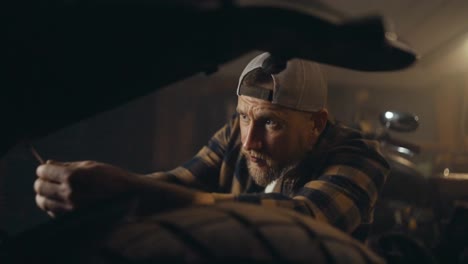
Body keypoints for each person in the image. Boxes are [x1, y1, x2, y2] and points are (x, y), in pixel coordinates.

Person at [34, 52, 389, 234]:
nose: (251, 141)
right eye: (245, 116)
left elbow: (306, 220)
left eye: (270, 122)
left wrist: (136, 195)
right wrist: (105, 188)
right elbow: (176, 183)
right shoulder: (236, 135)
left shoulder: (359, 157)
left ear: (316, 123)